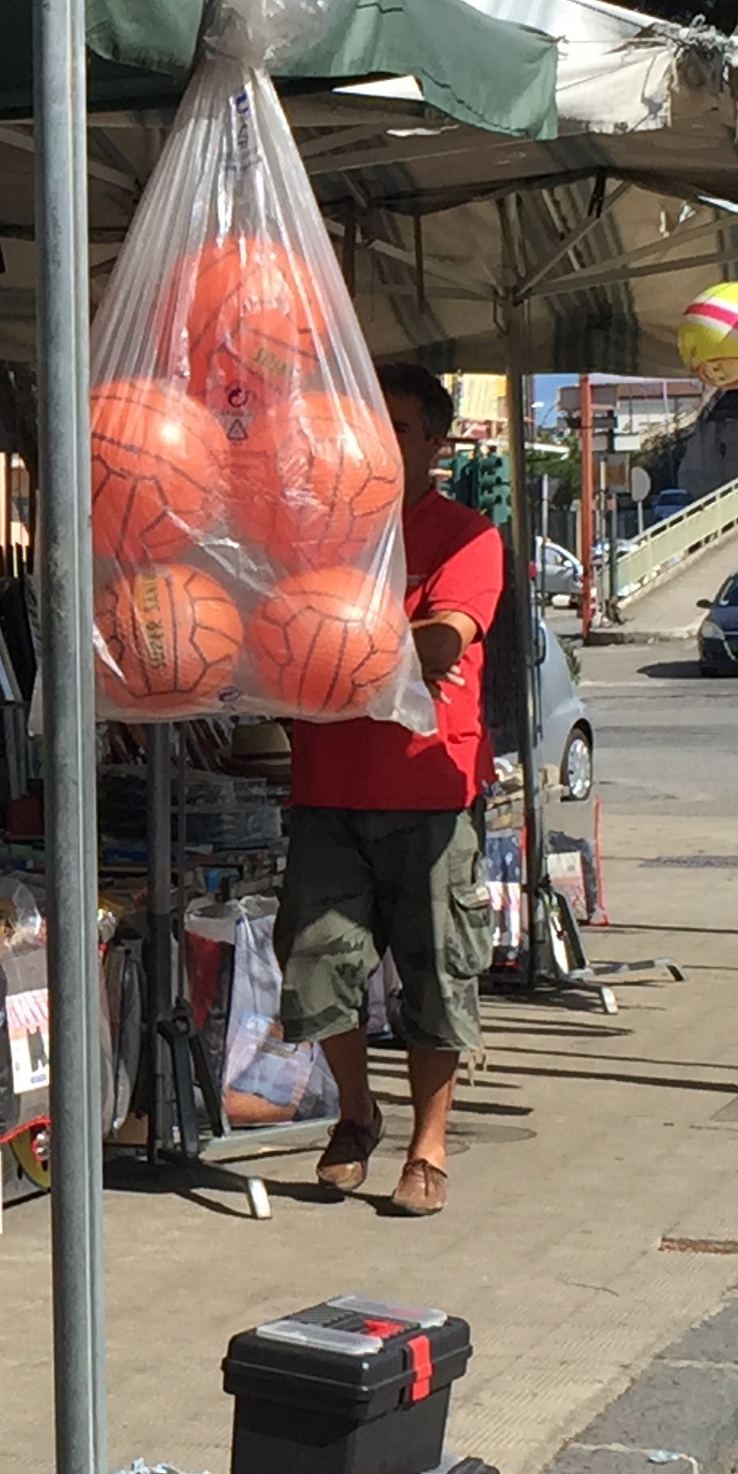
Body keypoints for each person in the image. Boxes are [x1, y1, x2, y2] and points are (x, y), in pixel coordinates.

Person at [276, 363, 505, 1218]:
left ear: (436, 445)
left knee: (436, 976)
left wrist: (332, 642)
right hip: (326, 785)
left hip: (430, 795)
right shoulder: (318, 536)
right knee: (313, 964)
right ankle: (356, 1112)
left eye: (400, 429)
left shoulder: (465, 535)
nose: (379, 442)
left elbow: (445, 642)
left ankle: (428, 1145)